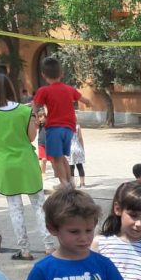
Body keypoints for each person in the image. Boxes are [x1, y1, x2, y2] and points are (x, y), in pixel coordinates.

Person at [0, 72, 54, 260]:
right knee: (39, 205)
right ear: (10, 87)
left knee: (14, 208)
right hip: (26, 162)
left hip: (4, 163)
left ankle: (25, 250)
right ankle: (49, 246)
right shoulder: (24, 111)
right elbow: (31, 137)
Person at [32, 57, 91, 190]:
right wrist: (89, 103)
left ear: (43, 75)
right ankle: (70, 182)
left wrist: (35, 116)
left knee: (56, 158)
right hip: (69, 129)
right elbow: (85, 100)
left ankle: (64, 184)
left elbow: (35, 105)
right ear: (62, 73)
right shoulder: (69, 89)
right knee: (62, 157)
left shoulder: (44, 91)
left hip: (54, 128)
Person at [68, 122, 86, 188]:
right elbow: (80, 138)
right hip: (77, 147)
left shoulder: (66, 126)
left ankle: (72, 184)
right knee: (80, 166)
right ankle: (82, 183)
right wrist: (82, 148)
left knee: (71, 167)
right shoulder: (77, 126)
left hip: (69, 148)